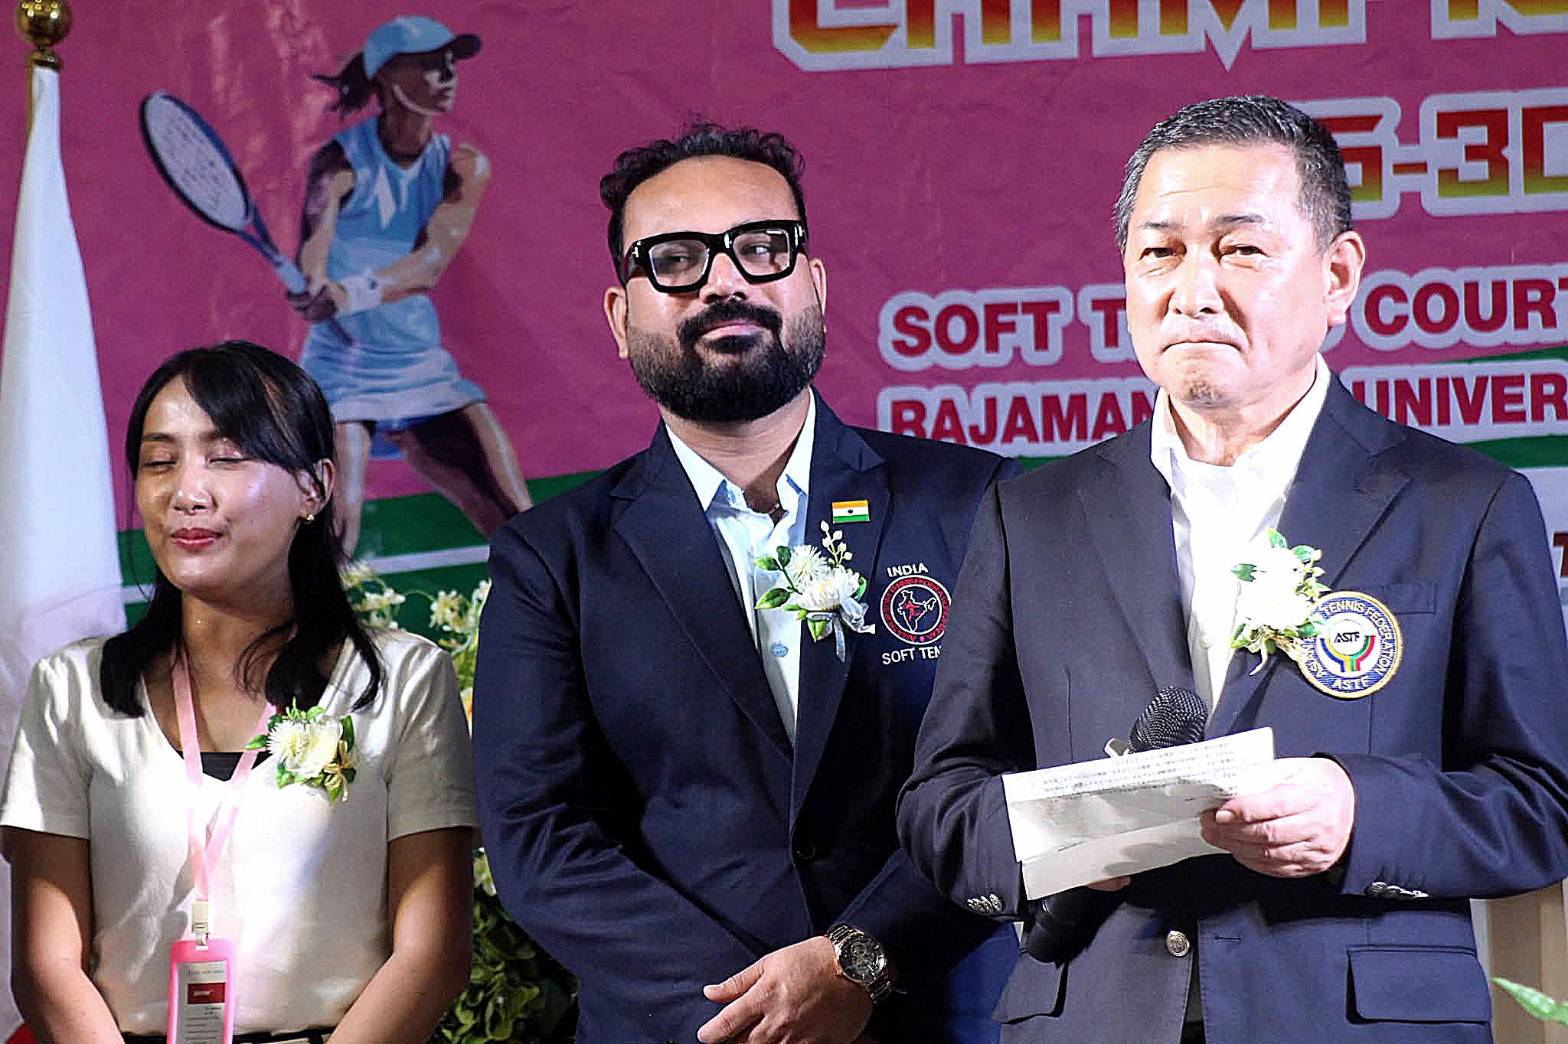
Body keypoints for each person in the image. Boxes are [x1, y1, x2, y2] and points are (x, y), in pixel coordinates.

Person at [897, 95, 1568, 1043]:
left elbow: (1543, 803)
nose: (1192, 289)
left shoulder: (1462, 504)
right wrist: (1069, 838)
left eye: (1241, 249)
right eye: (1159, 253)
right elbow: (941, 805)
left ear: (1338, 275)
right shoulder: (1032, 517)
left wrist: (1360, 812)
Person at [473, 123, 1019, 1043]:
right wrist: (758, 1013)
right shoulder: (553, 559)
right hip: (687, 1028)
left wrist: (861, 960)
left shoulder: (973, 502)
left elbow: (1021, 764)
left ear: (816, 284)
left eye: (764, 247)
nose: (726, 282)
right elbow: (539, 836)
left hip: (946, 1011)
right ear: (620, 317)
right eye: (676, 260)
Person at [1, 342, 476, 1042]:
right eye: (159, 462)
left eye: (225, 457)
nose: (186, 492)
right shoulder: (73, 689)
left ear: (313, 488)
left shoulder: (403, 681)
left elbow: (431, 955)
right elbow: (47, 964)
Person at [291, 15, 531, 555]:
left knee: (521, 525)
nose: (446, 75)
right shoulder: (339, 162)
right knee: (334, 536)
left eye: (450, 63)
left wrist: (350, 292)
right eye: (428, 64)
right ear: (386, 76)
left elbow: (431, 261)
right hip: (343, 365)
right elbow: (314, 249)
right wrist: (314, 285)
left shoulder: (464, 165)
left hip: (417, 358)